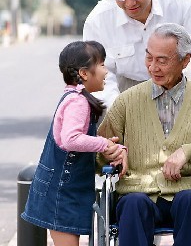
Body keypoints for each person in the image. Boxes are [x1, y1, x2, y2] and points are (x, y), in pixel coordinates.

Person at [97, 23, 191, 246]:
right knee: (133, 203)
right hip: (138, 193)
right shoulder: (127, 101)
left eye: (162, 60)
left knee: (189, 199)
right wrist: (111, 152)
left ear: (185, 60)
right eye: (149, 58)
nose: (153, 67)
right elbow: (99, 154)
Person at [21, 41, 124, 246]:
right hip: (61, 191)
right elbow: (71, 139)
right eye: (102, 65)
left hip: (63, 188)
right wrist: (103, 144)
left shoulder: (73, 96)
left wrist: (102, 146)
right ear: (85, 73)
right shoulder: (78, 102)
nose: (106, 71)